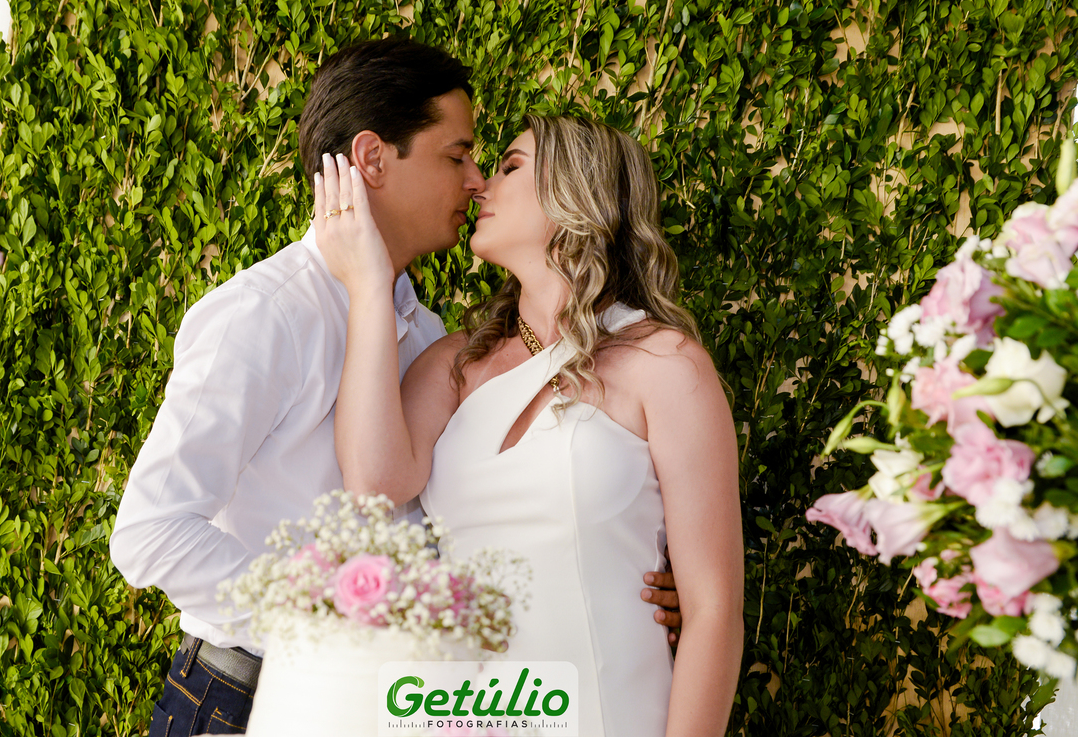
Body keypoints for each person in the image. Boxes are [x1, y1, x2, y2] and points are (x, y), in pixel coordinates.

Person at [109, 39, 682, 735]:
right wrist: (335, 623)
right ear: (374, 159)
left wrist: (623, 573)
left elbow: (441, 514)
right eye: (457, 156)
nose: (475, 181)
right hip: (244, 696)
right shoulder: (265, 316)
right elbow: (151, 533)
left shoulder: (427, 334)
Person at [315, 114, 744, 736]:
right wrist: (368, 285)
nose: (480, 186)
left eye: (510, 167)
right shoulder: (454, 364)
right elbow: (374, 482)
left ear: (576, 192)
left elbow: (713, 611)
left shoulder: (666, 364)